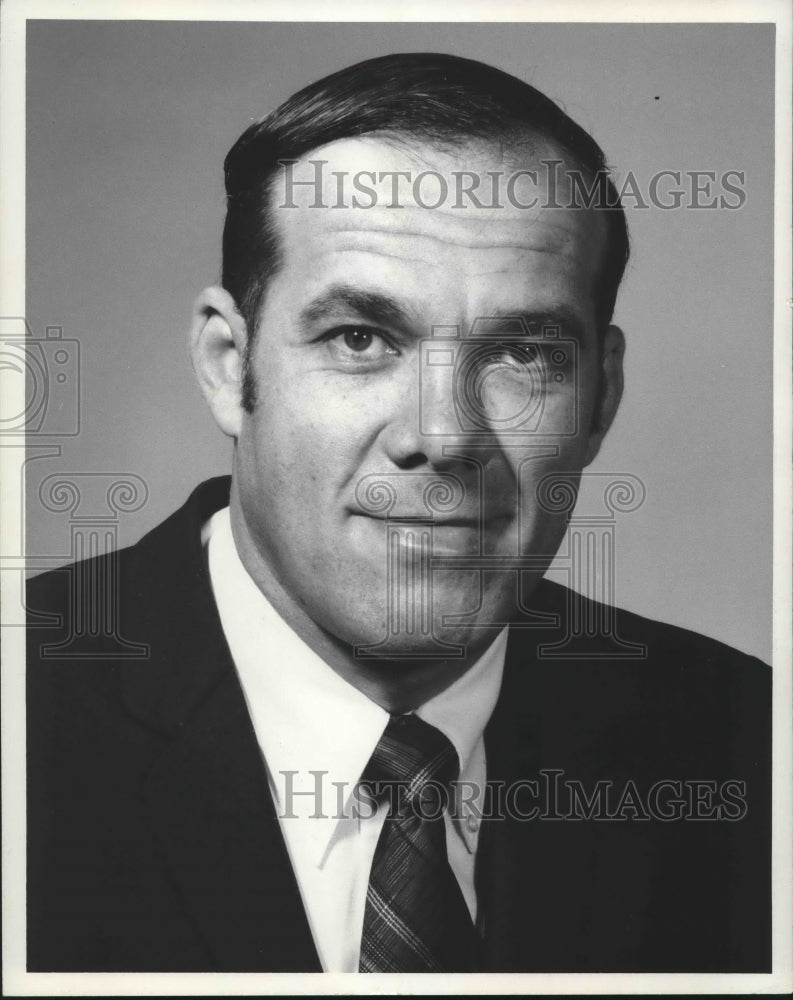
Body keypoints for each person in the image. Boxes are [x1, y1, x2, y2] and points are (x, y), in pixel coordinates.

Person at [26, 52, 770, 974]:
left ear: (601, 396)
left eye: (523, 354)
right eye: (362, 339)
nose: (443, 436)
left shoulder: (748, 751)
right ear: (229, 364)